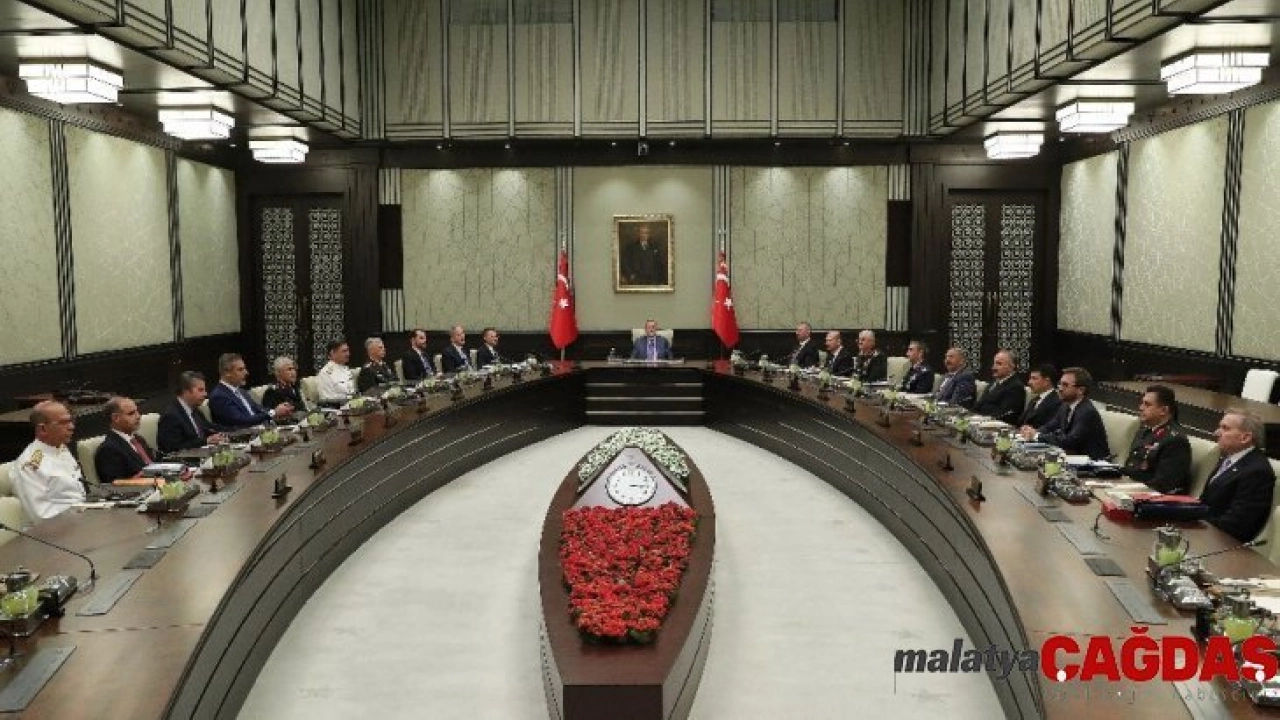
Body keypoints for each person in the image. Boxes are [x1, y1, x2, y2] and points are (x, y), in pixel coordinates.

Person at [1200, 410, 1276, 542]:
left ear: (1245, 438)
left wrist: (1196, 524)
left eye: (1225, 428)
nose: (1216, 432)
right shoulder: (1231, 457)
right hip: (1205, 530)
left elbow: (1237, 524)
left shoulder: (1257, 472)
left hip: (1222, 542)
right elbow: (1205, 501)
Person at [13, 401, 86, 522]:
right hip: (57, 528)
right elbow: (41, 516)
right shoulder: (30, 464)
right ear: (43, 429)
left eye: (71, 421)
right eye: (63, 423)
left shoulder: (59, 448)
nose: (71, 427)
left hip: (80, 515)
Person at [1019, 367, 1110, 461]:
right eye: (1060, 383)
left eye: (1065, 385)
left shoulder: (1087, 412)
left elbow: (1069, 441)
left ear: (1081, 390)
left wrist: (1036, 435)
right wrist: (1031, 431)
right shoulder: (1065, 406)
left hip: (1093, 464)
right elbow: (1049, 427)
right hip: (1071, 457)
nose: (1060, 388)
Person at [1121, 385, 1192, 494]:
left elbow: (1163, 485)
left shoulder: (1176, 441)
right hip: (1132, 487)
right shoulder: (1146, 430)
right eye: (1142, 403)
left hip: (1153, 497)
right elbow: (1132, 468)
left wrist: (1125, 489)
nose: (1141, 407)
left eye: (1147, 404)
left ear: (1163, 410)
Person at [209, 353, 292, 429]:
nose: (246, 372)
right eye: (240, 370)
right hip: (241, 437)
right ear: (227, 372)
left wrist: (279, 411)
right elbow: (241, 421)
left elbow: (259, 409)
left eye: (245, 369)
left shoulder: (241, 391)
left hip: (259, 432)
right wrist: (273, 413)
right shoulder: (219, 396)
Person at [157, 371, 228, 453]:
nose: (205, 394)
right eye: (200, 390)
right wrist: (206, 441)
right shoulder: (170, 416)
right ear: (186, 391)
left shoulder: (195, 410)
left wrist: (232, 432)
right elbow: (173, 448)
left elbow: (210, 428)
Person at [94, 396, 157, 484]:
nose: (138, 416)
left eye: (137, 411)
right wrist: (140, 478)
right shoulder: (108, 450)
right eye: (131, 413)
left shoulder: (138, 439)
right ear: (116, 418)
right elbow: (115, 485)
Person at [972, 349, 1026, 424]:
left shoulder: (1015, 387)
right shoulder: (994, 382)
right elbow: (980, 404)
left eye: (999, 364)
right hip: (979, 421)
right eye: (994, 363)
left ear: (1011, 366)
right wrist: (970, 416)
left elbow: (1004, 414)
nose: (993, 368)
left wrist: (981, 419)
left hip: (995, 425)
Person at [619, 222, 667, 287]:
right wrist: (630, 275)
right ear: (638, 234)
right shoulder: (631, 247)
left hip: (653, 281)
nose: (644, 235)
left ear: (649, 234)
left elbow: (659, 264)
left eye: (646, 233)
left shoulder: (654, 247)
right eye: (642, 233)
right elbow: (625, 262)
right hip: (637, 280)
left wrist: (662, 280)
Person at [1019, 364, 1062, 428]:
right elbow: (1020, 422)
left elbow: (1049, 427)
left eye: (1034, 378)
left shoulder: (1057, 402)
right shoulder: (1035, 400)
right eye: (1030, 378)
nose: (1029, 382)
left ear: (1047, 381)